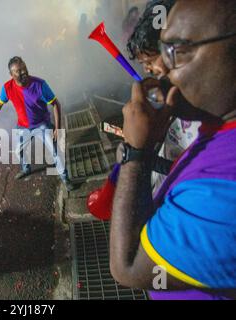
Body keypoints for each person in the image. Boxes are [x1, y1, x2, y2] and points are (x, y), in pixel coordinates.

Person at [110, 0, 236, 300]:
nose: (162, 72)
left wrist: (135, 154)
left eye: (176, 51)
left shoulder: (224, 192)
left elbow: (127, 266)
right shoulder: (217, 130)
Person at [126, 0, 201, 193]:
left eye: (149, 60)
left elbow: (194, 173)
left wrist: (137, 157)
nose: (147, 69)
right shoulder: (181, 104)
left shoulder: (206, 113)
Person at [0, 56, 75, 191]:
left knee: (55, 152)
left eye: (24, 68)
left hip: (42, 125)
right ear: (11, 74)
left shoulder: (40, 85)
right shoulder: (7, 88)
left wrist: (57, 128)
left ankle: (65, 178)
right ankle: (26, 168)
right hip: (23, 126)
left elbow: (55, 104)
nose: (23, 72)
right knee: (18, 150)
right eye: (18, 71)